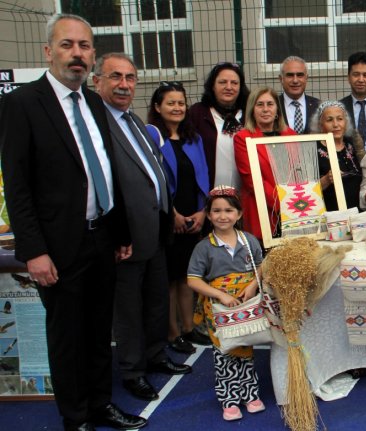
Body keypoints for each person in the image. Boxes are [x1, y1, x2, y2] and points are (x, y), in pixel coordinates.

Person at [0, 14, 147, 430]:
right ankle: (76, 416)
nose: (77, 54)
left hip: (101, 238)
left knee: (100, 331)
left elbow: (106, 173)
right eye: (67, 45)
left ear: (92, 55)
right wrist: (35, 251)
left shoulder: (96, 103)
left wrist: (119, 233)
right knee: (68, 336)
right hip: (57, 247)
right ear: (49, 51)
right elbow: (17, 185)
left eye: (84, 46)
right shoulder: (22, 104)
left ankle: (101, 404)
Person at [93, 53, 191, 402]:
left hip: (156, 229)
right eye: (115, 77)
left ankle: (156, 354)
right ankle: (133, 371)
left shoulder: (134, 121)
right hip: (127, 236)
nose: (124, 84)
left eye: (130, 77)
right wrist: (120, 232)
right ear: (97, 82)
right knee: (129, 309)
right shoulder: (98, 123)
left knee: (154, 301)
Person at [186, 186, 265, 421]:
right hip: (219, 310)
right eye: (216, 211)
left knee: (246, 348)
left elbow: (262, 266)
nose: (223, 216)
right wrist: (220, 295)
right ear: (208, 215)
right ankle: (229, 400)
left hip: (245, 305)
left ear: (239, 214)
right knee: (225, 351)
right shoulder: (203, 247)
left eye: (229, 210)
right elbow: (192, 279)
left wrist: (251, 286)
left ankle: (250, 394)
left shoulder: (249, 241)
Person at [146, 82, 210, 358]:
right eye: (170, 103)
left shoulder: (192, 138)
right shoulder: (151, 136)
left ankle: (188, 327)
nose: (177, 108)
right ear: (158, 107)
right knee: (170, 278)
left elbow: (203, 176)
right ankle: (172, 332)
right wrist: (170, 214)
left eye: (181, 103)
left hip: (192, 216)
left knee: (187, 276)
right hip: (167, 216)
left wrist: (202, 211)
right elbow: (154, 180)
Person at [234, 87, 297, 242]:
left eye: (270, 104)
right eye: (260, 105)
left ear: (277, 109)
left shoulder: (291, 135)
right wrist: (283, 203)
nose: (265, 109)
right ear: (252, 110)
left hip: (293, 209)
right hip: (260, 209)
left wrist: (294, 202)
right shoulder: (242, 138)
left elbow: (298, 172)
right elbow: (251, 179)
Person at [189, 62, 250, 189]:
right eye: (222, 82)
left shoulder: (250, 114)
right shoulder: (198, 113)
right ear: (212, 86)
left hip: (244, 197)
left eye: (234, 83)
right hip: (209, 197)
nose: (229, 87)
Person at [310, 100, 364, 211]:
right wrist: (326, 180)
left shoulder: (353, 144)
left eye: (340, 119)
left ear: (346, 122)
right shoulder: (313, 150)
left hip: (356, 214)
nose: (336, 124)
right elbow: (305, 190)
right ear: (320, 125)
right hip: (329, 216)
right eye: (329, 120)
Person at [277, 56, 320, 134]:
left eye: (300, 75)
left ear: (306, 78)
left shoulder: (319, 106)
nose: (295, 80)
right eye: (290, 75)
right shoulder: (273, 106)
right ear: (281, 79)